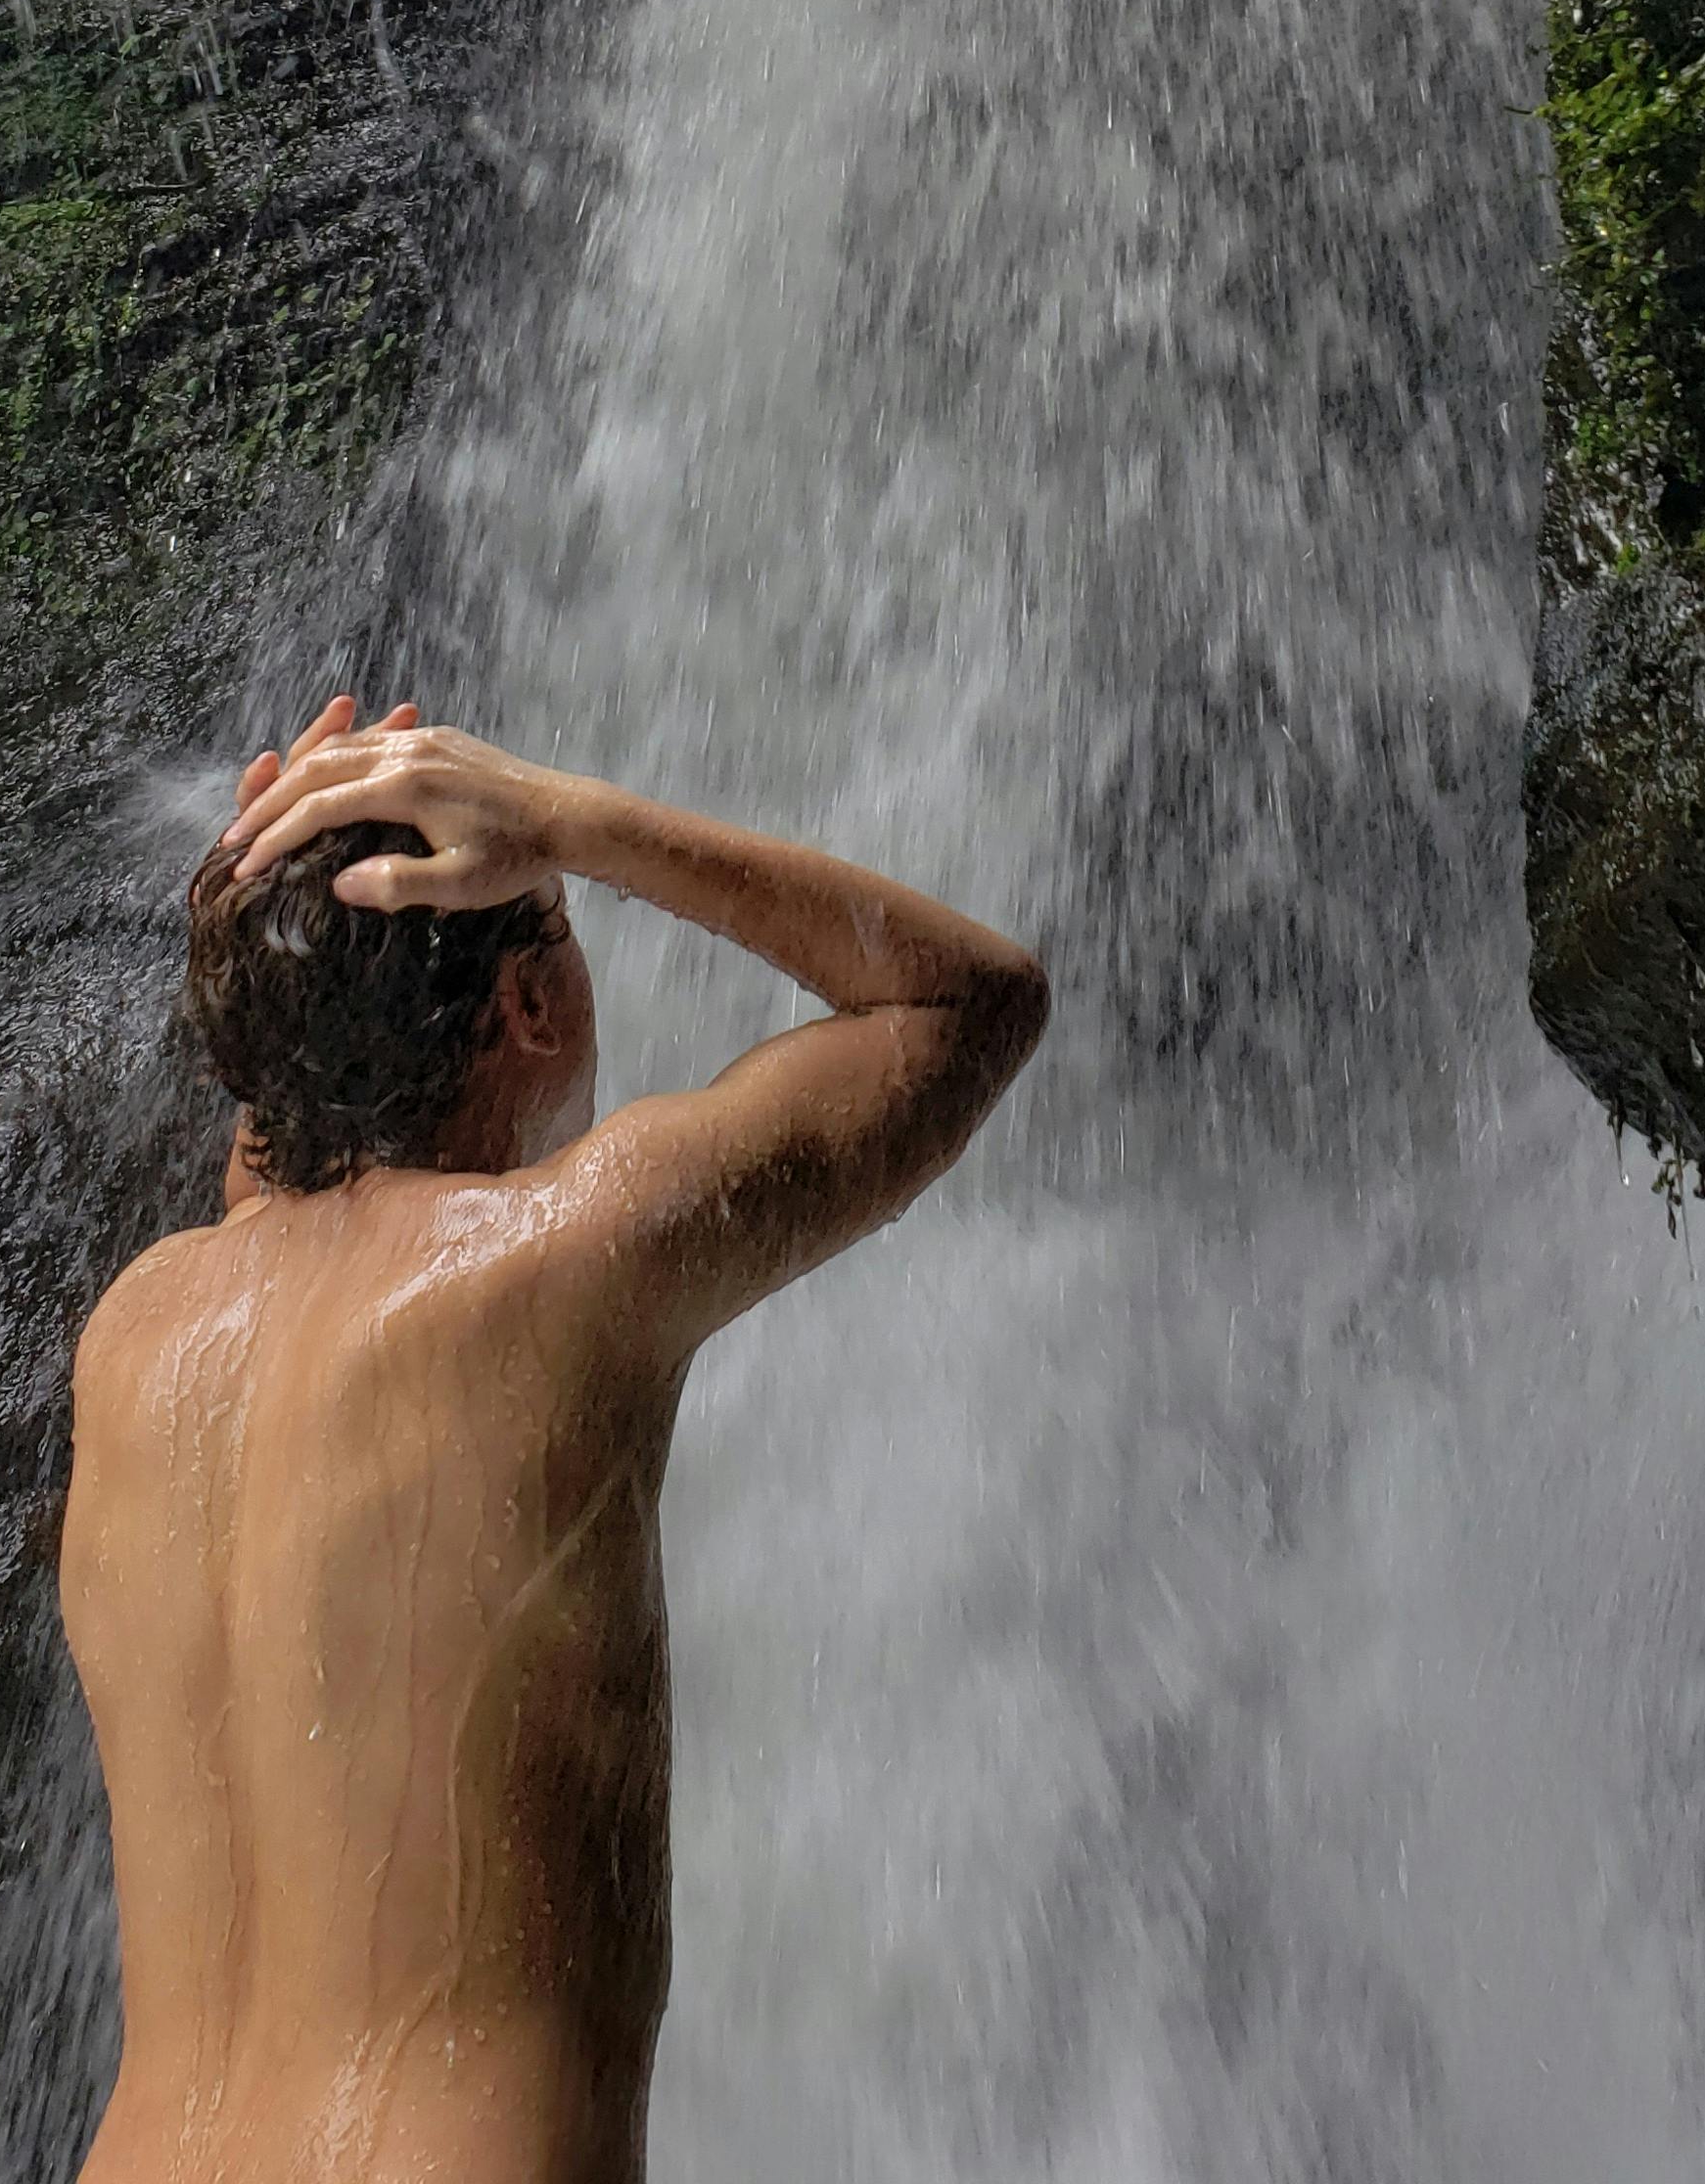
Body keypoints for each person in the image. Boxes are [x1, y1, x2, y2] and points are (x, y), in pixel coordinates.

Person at [59, 694, 1050, 2184]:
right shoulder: (562, 1262)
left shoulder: (137, 1343)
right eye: (569, 941)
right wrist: (568, 819)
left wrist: (263, 924)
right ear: (530, 1005)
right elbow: (968, 1005)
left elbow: (288, 1151)